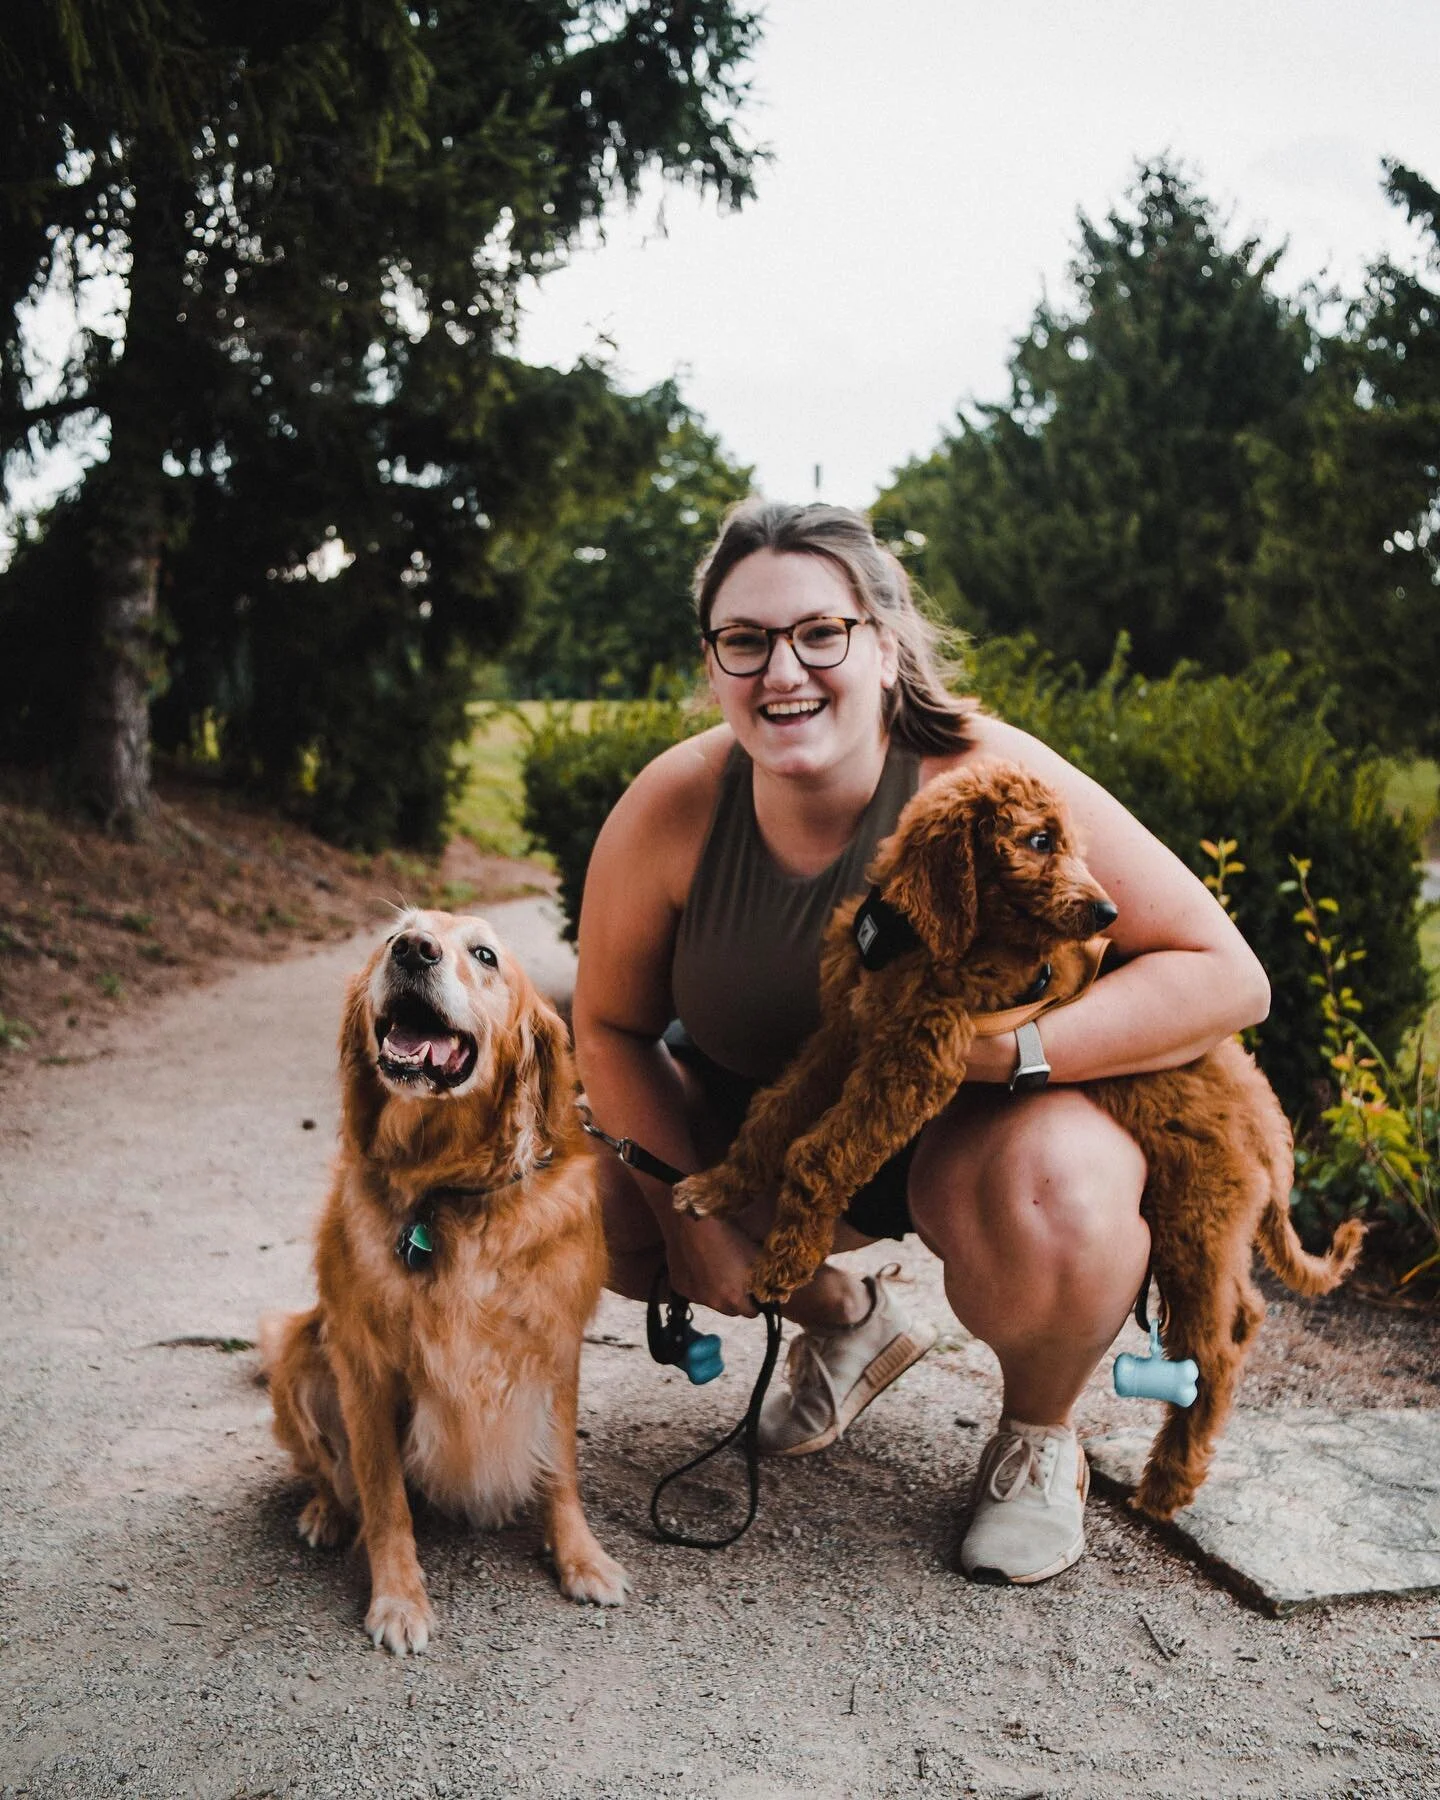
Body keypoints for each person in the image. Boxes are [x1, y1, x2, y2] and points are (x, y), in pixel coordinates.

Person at [572, 500, 1270, 1585]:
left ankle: (1039, 1437)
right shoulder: (673, 805)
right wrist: (678, 1206)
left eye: (820, 633)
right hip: (796, 1120)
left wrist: (1010, 1056)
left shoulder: (984, 776)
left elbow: (1228, 975)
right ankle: (850, 1323)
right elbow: (608, 1029)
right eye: (744, 641)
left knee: (1061, 1193)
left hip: (981, 1128)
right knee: (598, 1199)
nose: (782, 670)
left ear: (885, 645)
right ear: (713, 661)